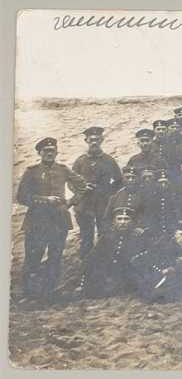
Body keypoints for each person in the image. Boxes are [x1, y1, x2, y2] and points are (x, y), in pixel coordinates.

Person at [16, 137, 89, 299]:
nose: (49, 153)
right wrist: (44, 199)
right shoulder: (31, 171)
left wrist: (70, 202)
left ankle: (50, 291)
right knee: (33, 256)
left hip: (59, 220)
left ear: (56, 152)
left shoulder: (63, 169)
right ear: (39, 153)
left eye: (52, 151)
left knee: (55, 256)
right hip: (37, 221)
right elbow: (21, 197)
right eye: (46, 151)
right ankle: (28, 293)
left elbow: (82, 186)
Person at [72, 126, 122, 260]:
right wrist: (82, 188)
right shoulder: (80, 161)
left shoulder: (109, 160)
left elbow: (119, 180)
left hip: (103, 203)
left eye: (97, 139)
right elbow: (71, 182)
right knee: (86, 235)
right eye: (91, 140)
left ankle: (104, 261)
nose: (94, 142)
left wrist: (109, 193)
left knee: (104, 232)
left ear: (102, 140)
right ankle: (85, 263)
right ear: (86, 141)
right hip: (85, 204)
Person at [81, 207, 146, 298]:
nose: (122, 222)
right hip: (109, 274)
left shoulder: (138, 238)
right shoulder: (106, 237)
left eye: (126, 219)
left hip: (128, 275)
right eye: (119, 219)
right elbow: (92, 257)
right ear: (114, 221)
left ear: (132, 222)